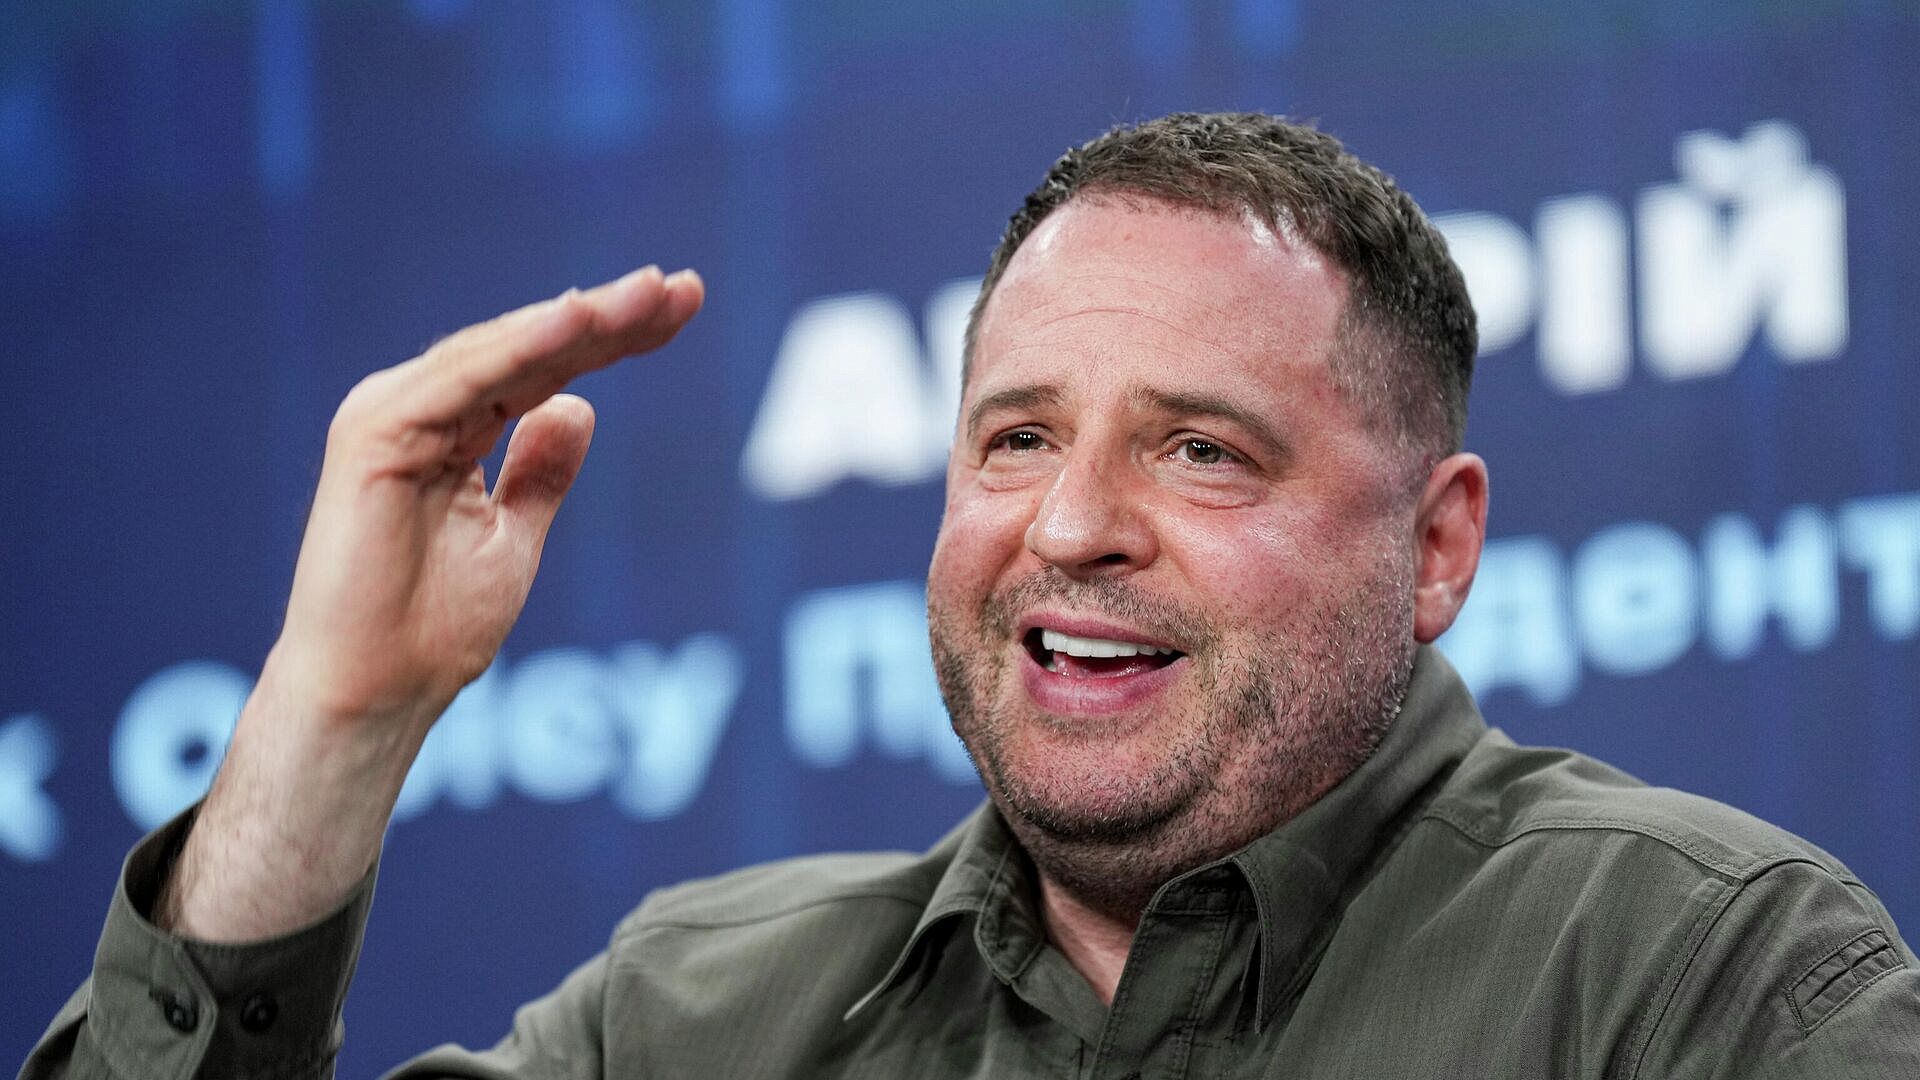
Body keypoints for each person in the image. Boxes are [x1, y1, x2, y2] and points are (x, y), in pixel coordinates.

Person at [22, 113, 1919, 1079]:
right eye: (1016, 439)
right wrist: (331, 730)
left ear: (1437, 547)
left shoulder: (1705, 980)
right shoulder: (698, 1017)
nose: (1070, 526)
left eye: (1201, 450)